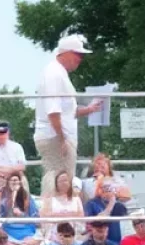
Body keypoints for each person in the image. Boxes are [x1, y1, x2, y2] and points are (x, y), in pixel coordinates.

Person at [33, 35, 103, 198]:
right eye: (78, 54)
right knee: (57, 175)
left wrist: (89, 109)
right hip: (54, 135)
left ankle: (59, 214)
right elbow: (53, 111)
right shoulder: (54, 74)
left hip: (58, 134)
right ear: (66, 53)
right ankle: (52, 215)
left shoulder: (59, 73)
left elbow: (66, 111)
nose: (80, 59)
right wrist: (62, 137)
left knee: (63, 176)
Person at [82, 153, 132, 245]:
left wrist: (113, 195)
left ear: (109, 167)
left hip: (115, 206)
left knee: (118, 208)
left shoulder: (117, 180)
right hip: (97, 206)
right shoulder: (88, 182)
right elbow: (94, 195)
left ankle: (114, 244)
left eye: (102, 165)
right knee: (93, 205)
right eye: (97, 165)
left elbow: (127, 196)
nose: (99, 168)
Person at [0, 173, 42, 245]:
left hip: (27, 230)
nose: (14, 183)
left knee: (38, 244)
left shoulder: (27, 198)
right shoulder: (3, 198)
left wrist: (22, 214)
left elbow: (36, 219)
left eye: (16, 181)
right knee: (3, 243)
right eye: (12, 181)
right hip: (9, 230)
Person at [40, 170, 84, 243]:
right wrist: (69, 214)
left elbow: (81, 216)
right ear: (56, 184)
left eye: (65, 180)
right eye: (60, 181)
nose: (63, 183)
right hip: (54, 234)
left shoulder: (76, 199)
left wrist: (60, 215)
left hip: (73, 233)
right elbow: (44, 216)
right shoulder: (50, 200)